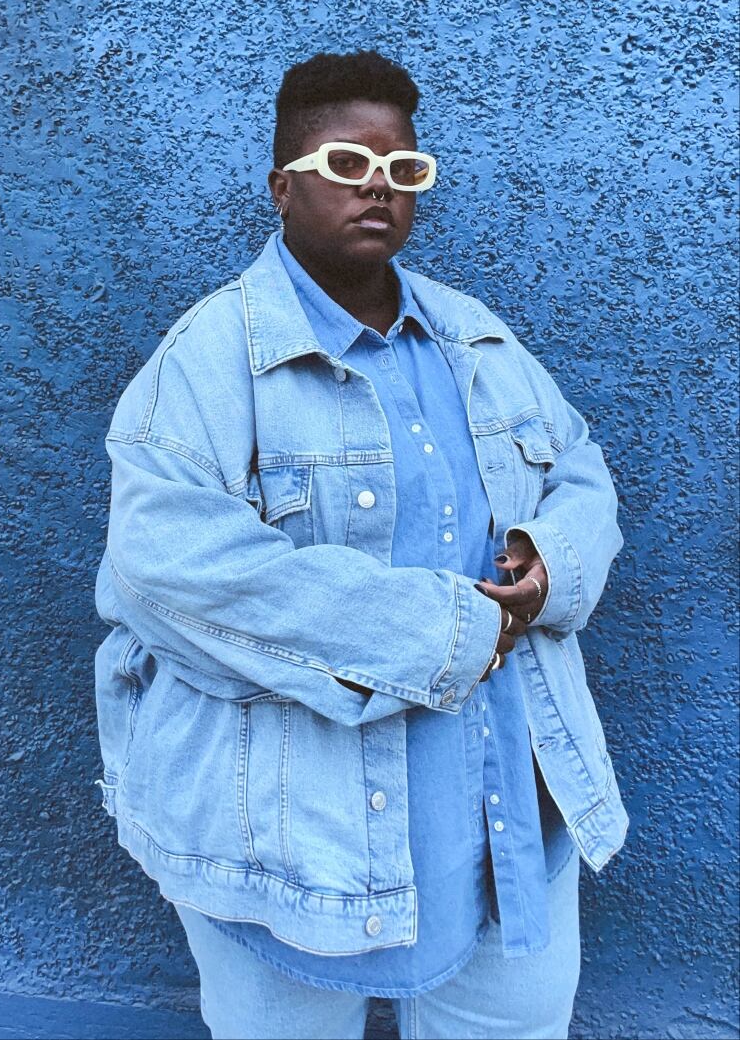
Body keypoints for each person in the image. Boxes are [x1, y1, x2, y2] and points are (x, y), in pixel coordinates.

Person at [92, 50, 629, 1040]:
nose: (376, 187)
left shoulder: (479, 340)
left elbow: (581, 469)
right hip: (287, 843)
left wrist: (552, 557)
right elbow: (170, 570)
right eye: (345, 163)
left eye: (403, 170)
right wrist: (442, 630)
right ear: (282, 186)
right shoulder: (210, 359)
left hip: (504, 810)